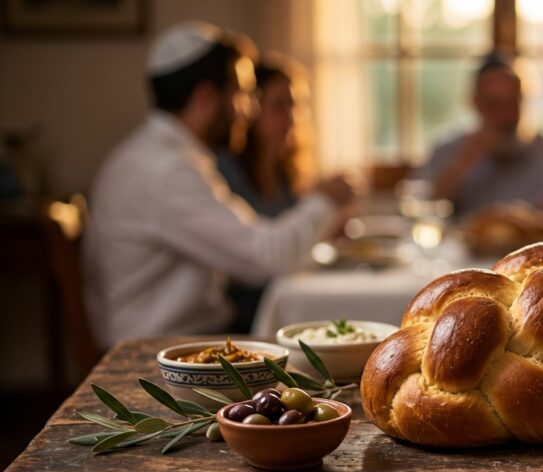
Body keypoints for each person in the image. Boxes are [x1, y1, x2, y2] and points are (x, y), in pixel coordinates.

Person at [83, 22, 353, 348]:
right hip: (160, 352)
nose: (249, 108)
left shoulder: (158, 154)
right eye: (241, 93)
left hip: (178, 338)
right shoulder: (166, 171)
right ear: (206, 98)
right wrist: (323, 200)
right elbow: (265, 258)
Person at [215, 54, 350, 332]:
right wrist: (322, 199)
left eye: (295, 105)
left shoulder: (283, 170)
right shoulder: (226, 173)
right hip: (246, 312)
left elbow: (294, 239)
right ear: (252, 110)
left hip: (280, 293)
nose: (291, 116)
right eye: (279, 106)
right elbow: (262, 255)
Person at [413, 52, 543, 216]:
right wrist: (464, 161)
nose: (505, 116)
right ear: (475, 103)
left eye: (512, 102)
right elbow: (421, 210)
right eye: (494, 104)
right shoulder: (447, 152)